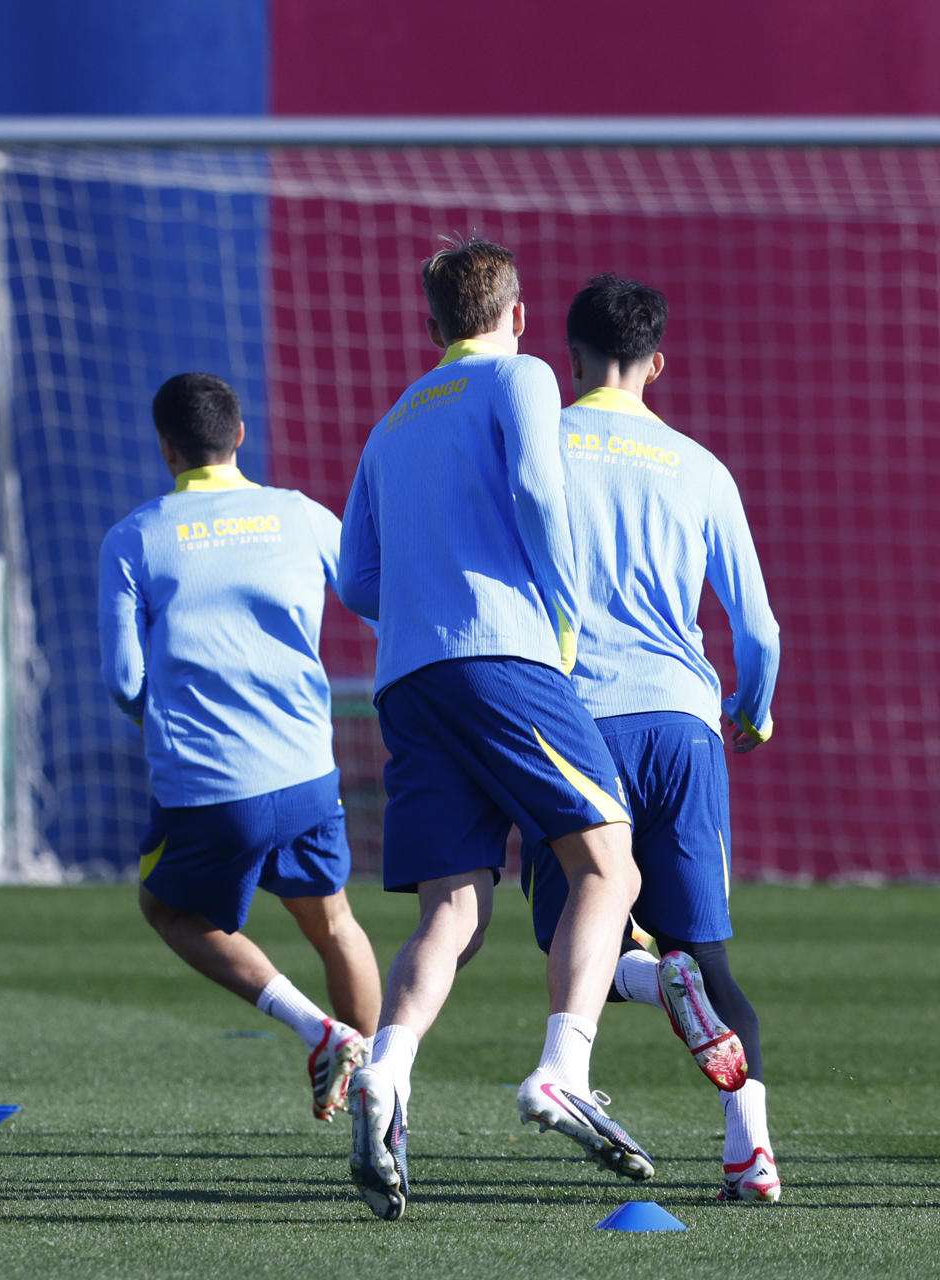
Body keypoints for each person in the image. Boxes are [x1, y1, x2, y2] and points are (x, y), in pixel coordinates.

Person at [336, 237, 649, 1220]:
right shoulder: (522, 375)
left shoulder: (391, 422)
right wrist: (562, 611)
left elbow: (355, 580)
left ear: (431, 325)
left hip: (411, 680)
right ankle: (564, 1065)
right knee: (609, 863)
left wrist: (426, 612)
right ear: (516, 314)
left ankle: (387, 1069)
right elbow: (540, 492)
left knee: (452, 909)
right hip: (502, 656)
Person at [521, 274, 782, 1202]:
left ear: (570, 355)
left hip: (572, 719)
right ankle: (750, 1148)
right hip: (681, 721)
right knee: (707, 957)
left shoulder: (540, 443)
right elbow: (760, 633)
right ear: (657, 363)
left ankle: (649, 980)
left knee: (568, 934)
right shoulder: (699, 466)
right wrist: (753, 706)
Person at [98, 373, 382, 1124]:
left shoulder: (136, 536)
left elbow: (124, 680)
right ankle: (382, 1101)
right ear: (241, 436)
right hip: (309, 772)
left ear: (166, 447)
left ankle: (316, 1029)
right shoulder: (301, 516)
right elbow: (379, 601)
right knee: (335, 925)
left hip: (211, 783)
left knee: (169, 909)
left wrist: (161, 724)